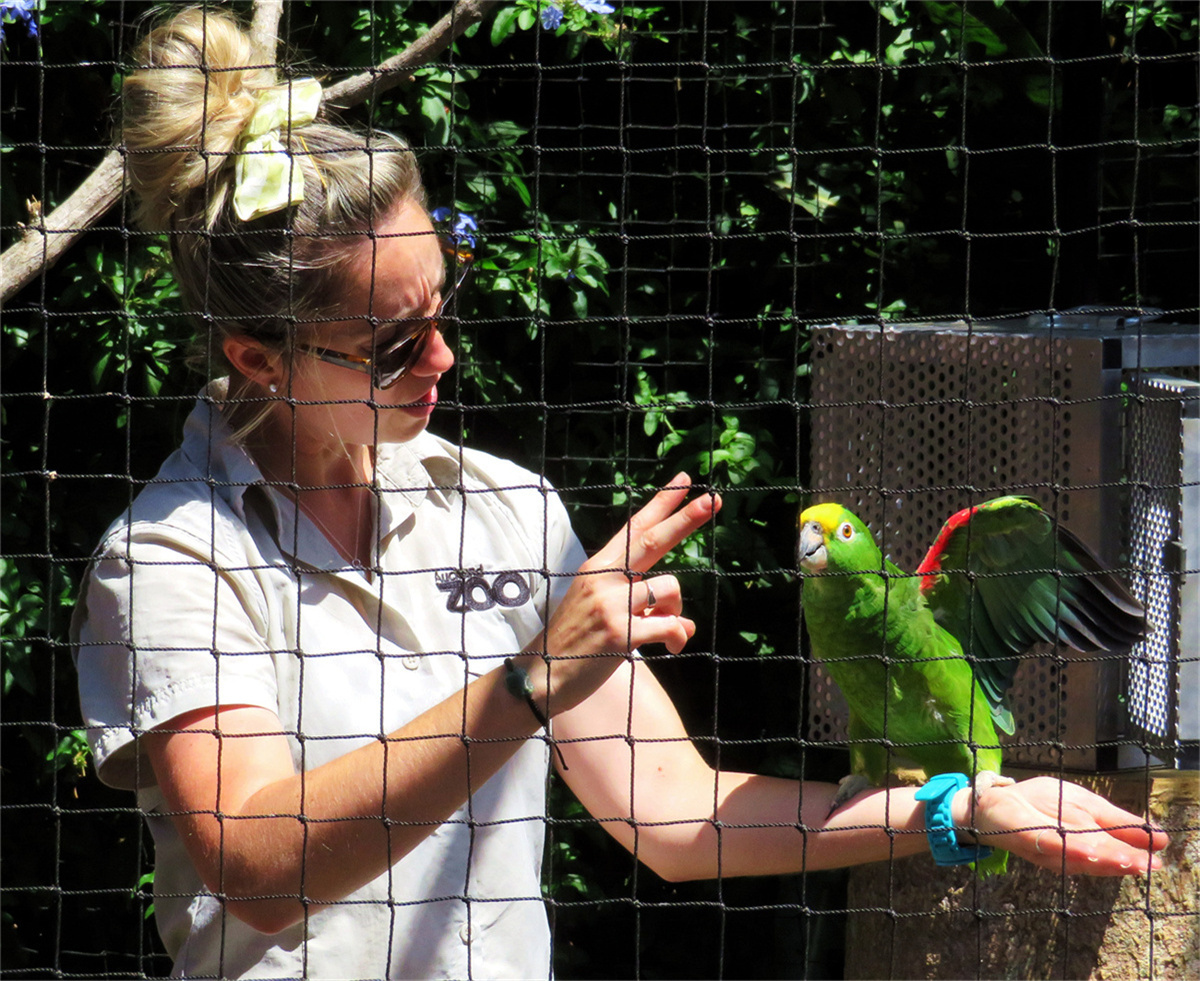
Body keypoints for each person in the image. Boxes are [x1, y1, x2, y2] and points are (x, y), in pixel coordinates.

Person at [72, 8, 1167, 980]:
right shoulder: (173, 558)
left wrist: (960, 808)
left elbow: (676, 816)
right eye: (396, 344)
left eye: (446, 310)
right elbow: (260, 867)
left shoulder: (504, 508)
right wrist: (534, 678)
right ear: (259, 360)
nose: (445, 361)